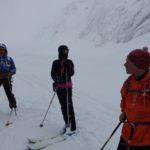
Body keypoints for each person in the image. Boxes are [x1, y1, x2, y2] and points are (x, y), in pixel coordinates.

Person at [117, 48, 150, 150]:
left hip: (145, 140)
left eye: (128, 62)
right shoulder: (129, 82)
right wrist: (124, 112)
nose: (125, 64)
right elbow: (124, 98)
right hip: (126, 134)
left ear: (138, 65)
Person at [51, 45, 76, 134]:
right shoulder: (55, 62)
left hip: (67, 87)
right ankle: (67, 122)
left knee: (69, 105)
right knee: (63, 106)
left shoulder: (69, 62)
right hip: (59, 88)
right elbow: (52, 74)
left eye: (67, 51)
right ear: (60, 52)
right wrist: (57, 79)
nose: (66, 53)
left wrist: (68, 66)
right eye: (64, 51)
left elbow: (72, 73)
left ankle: (73, 126)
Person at [0, 43, 17, 110]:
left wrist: (10, 73)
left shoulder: (9, 59)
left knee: (8, 92)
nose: (1, 51)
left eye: (2, 49)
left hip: (6, 78)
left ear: (5, 50)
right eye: (0, 49)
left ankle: (13, 104)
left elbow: (14, 69)